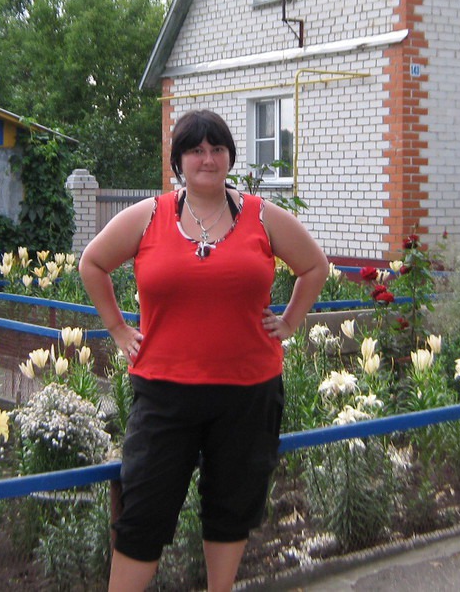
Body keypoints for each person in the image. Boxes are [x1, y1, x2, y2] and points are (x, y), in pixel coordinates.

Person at [79, 109, 328, 592]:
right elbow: (93, 262)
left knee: (231, 509)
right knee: (144, 511)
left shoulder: (262, 216)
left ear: (230, 157)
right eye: (195, 150)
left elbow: (314, 266)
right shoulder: (149, 216)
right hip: (164, 394)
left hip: (248, 393)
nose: (207, 159)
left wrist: (290, 323)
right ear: (178, 161)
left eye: (217, 149)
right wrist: (117, 328)